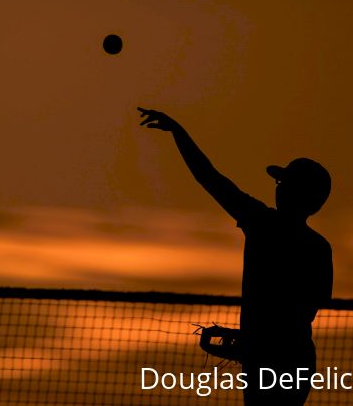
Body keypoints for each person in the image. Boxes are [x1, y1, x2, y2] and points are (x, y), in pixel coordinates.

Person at [137, 107, 333, 406]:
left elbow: (210, 179)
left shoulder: (261, 223)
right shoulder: (319, 246)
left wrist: (179, 132)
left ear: (296, 192)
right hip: (297, 358)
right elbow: (306, 309)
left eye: (283, 184)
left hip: (269, 359)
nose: (278, 189)